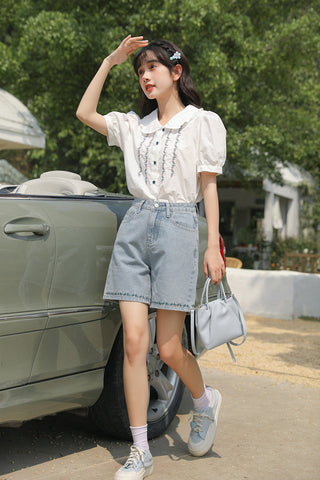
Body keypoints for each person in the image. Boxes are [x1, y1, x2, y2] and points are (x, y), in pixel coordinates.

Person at [76, 34, 226, 480]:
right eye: (139, 69)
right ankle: (140, 451)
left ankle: (204, 401)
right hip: (135, 227)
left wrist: (213, 244)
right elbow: (85, 113)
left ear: (176, 72)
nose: (144, 75)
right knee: (136, 344)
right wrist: (109, 60)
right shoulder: (132, 126)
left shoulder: (202, 122)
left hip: (180, 227)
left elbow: (208, 186)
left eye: (152, 67)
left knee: (169, 348)